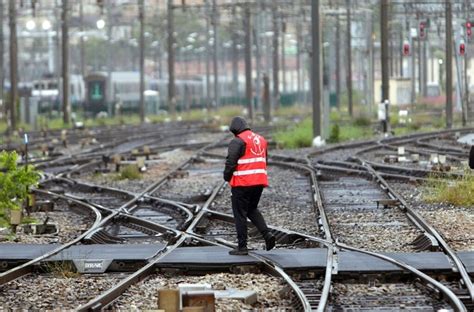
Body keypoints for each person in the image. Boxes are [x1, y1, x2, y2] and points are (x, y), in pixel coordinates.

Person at [223, 116, 275, 255]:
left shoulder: (238, 141)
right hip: (258, 181)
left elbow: (231, 163)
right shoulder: (261, 140)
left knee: (240, 214)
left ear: (235, 130)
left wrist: (226, 177)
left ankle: (242, 247)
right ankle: (267, 234)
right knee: (252, 209)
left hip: (242, 183)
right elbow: (265, 160)